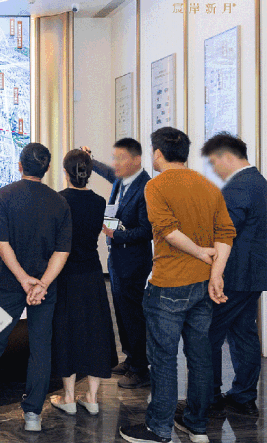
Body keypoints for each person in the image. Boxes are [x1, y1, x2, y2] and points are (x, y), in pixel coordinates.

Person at [120, 127, 235, 443]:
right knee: (200, 357)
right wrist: (216, 274)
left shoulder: (155, 185)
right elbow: (225, 234)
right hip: (203, 284)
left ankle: (158, 429)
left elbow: (168, 231)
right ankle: (197, 426)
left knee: (163, 359)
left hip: (168, 285)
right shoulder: (209, 185)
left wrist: (198, 252)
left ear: (158, 153)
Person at [0, 143, 72, 432]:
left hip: (10, 283)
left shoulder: (5, 195)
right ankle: (33, 415)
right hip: (45, 289)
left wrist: (23, 279)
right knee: (41, 348)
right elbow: (62, 251)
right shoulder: (59, 202)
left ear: (20, 166)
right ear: (47, 168)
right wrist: (42, 283)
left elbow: (2, 242)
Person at [200, 134, 266, 417]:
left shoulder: (239, 187)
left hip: (234, 276)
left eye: (215, 162)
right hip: (253, 275)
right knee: (244, 332)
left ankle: (209, 398)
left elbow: (223, 232)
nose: (214, 169)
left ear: (228, 157)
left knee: (208, 334)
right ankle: (243, 397)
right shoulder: (259, 182)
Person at [49, 149, 117, 416]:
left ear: (65, 172)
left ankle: (68, 397)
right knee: (95, 332)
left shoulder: (58, 200)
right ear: (89, 173)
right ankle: (92, 397)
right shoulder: (99, 202)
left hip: (66, 274)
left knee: (67, 332)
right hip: (93, 273)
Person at [83, 139, 153, 389]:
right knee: (122, 314)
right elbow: (107, 172)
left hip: (133, 261)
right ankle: (130, 359)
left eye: (121, 158)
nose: (116, 163)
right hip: (117, 258)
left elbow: (147, 231)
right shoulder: (122, 179)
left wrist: (117, 235)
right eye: (114, 158)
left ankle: (140, 369)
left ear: (136, 160)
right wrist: (90, 161)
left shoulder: (145, 187)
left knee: (133, 315)